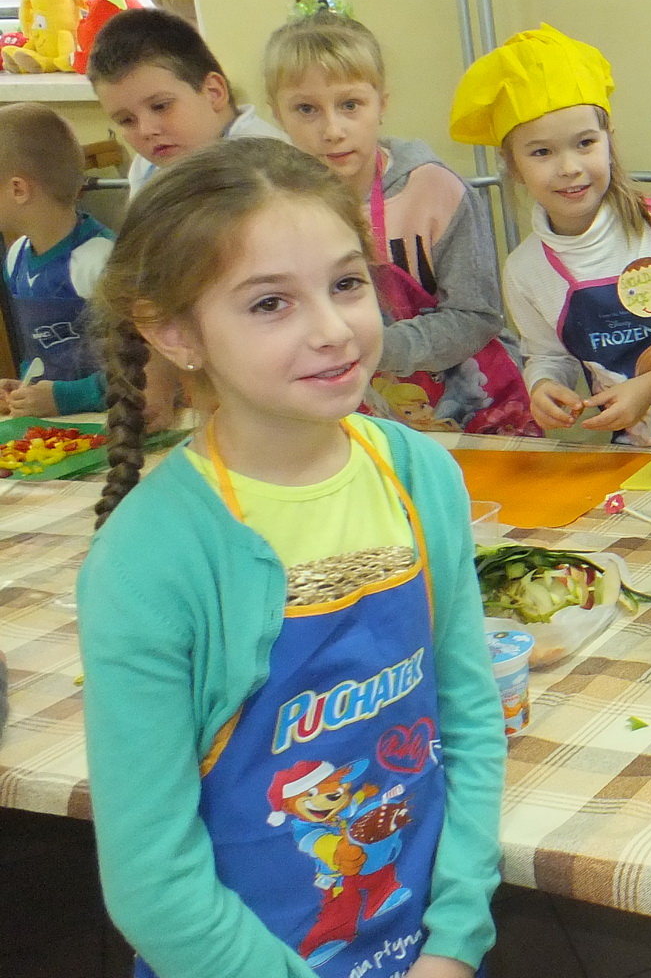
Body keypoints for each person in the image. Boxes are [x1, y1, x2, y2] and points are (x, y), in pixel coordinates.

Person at [76, 137, 503, 978]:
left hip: (423, 951)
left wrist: (456, 942)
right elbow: (153, 882)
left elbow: (468, 719)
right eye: (271, 303)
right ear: (174, 331)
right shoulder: (150, 560)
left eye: (346, 284)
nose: (333, 330)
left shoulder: (420, 476)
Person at [453, 25, 651, 448]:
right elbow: (548, 354)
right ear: (512, 164)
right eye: (541, 152)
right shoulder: (526, 271)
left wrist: (647, 387)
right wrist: (543, 385)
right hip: (636, 450)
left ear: (610, 142)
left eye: (585, 143)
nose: (569, 167)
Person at [263, 0, 532, 435]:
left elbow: (478, 315)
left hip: (474, 404)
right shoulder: (276, 209)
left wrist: (377, 348)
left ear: (381, 104)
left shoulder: (435, 191)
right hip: (357, 406)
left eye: (350, 104)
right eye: (306, 109)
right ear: (277, 114)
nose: (332, 130)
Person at [86, 7, 292, 196]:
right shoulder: (146, 168)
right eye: (126, 120)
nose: (146, 130)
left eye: (160, 106)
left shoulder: (271, 170)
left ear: (213, 92)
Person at [0, 102, 113, 417]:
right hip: (56, 428)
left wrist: (64, 398)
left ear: (18, 189)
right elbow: (40, 353)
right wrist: (23, 389)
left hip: (111, 424)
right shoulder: (16, 257)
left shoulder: (97, 260)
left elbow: (143, 367)